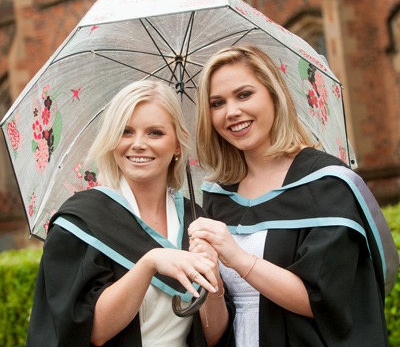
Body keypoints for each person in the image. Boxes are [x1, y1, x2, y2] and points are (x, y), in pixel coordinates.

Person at [189, 45, 397, 346]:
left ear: (273, 95)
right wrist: (210, 281)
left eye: (244, 94)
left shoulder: (325, 184)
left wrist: (238, 258)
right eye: (217, 103)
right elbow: (216, 324)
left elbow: (324, 300)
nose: (231, 111)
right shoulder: (217, 196)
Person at [26, 80, 234, 347]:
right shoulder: (82, 221)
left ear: (178, 144)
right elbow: (92, 331)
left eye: (155, 133)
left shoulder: (196, 220)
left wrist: (213, 281)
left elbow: (212, 337)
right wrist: (149, 263)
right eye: (126, 132)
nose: (138, 144)